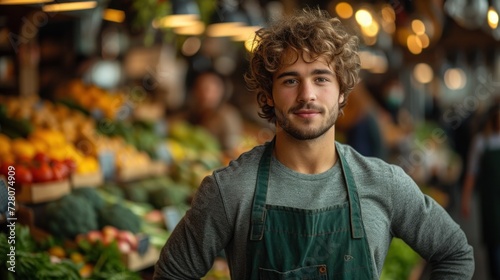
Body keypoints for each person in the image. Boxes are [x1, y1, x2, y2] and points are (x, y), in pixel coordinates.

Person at [154, 8, 474, 279]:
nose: (307, 94)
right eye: (290, 80)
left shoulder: (383, 183)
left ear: (342, 93)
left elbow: (455, 253)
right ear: (267, 95)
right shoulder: (230, 190)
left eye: (321, 78)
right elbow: (171, 273)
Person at [461, 100, 500, 280]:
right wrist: (465, 199)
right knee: (494, 241)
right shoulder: (481, 142)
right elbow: (471, 173)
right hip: (490, 201)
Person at [183, 69, 243, 157]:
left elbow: (232, 151)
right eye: (199, 88)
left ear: (220, 91)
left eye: (208, 89)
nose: (203, 94)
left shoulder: (227, 116)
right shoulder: (196, 111)